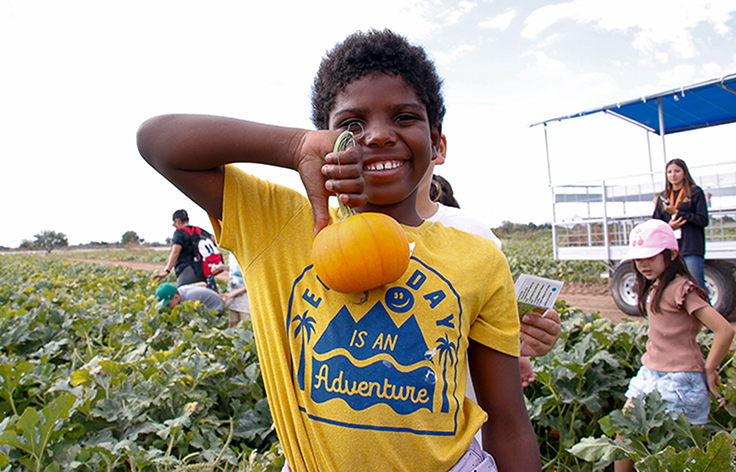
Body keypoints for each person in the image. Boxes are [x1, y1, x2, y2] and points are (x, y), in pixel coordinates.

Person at [137, 29, 541, 472]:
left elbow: (509, 425)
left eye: (405, 117)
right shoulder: (280, 223)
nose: (380, 135)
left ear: (435, 136)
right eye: (351, 125)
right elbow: (158, 141)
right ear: (323, 138)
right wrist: (295, 147)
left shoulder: (478, 256)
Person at [416, 135, 562, 389]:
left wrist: (520, 345)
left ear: (438, 148)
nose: (380, 138)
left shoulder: (474, 234)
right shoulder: (328, 228)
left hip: (462, 417)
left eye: (404, 118)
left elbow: (491, 327)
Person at [613, 219, 734, 472]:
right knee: (623, 433)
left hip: (681, 380)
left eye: (650, 256)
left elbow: (724, 330)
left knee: (676, 457)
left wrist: (710, 369)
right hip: (650, 374)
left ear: (672, 253)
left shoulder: (683, 289)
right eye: (638, 258)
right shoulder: (657, 285)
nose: (643, 264)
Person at [652, 158, 709, 289]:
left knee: (696, 286)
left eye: (677, 171)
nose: (673, 175)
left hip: (691, 248)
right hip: (669, 250)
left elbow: (703, 220)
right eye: (669, 172)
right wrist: (669, 227)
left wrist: (677, 212)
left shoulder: (695, 192)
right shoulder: (663, 196)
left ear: (684, 173)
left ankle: (706, 309)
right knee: (671, 286)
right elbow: (656, 224)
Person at [151, 209, 224, 288]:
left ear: (177, 221)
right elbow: (214, 240)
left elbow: (175, 252)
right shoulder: (200, 231)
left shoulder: (180, 233)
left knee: (186, 296)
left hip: (187, 272)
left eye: (174, 224)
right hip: (203, 270)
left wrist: (167, 271)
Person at [219, 252, 251, 327]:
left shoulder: (247, 253)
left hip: (245, 301)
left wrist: (231, 294)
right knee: (232, 326)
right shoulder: (231, 253)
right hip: (233, 298)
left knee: (246, 326)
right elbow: (235, 270)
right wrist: (223, 267)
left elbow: (252, 283)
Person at [155, 282, 226, 314]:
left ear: (176, 297)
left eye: (168, 305)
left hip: (216, 307)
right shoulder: (181, 289)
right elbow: (203, 284)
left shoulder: (189, 301)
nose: (167, 307)